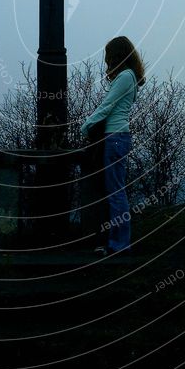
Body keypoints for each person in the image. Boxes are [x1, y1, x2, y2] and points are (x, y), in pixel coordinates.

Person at [80, 36, 145, 255]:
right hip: (118, 137)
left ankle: (120, 244)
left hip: (115, 137)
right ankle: (116, 241)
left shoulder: (125, 76)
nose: (106, 60)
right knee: (115, 190)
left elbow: (107, 106)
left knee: (116, 192)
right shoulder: (130, 77)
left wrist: (86, 126)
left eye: (108, 55)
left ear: (116, 55)